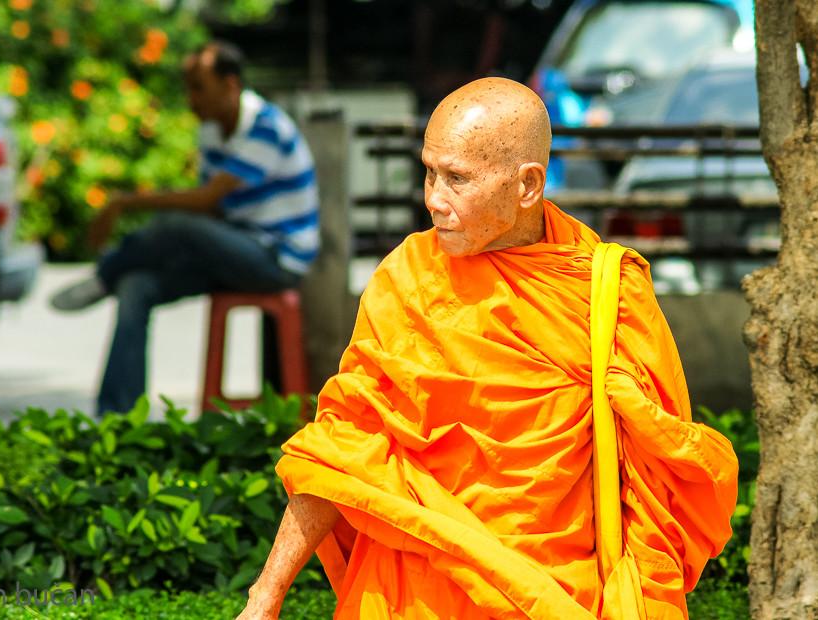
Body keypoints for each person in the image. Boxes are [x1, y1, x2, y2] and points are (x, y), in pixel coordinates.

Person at [237, 78, 738, 619]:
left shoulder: (605, 293)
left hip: (552, 595)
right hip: (416, 596)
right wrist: (265, 597)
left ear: (528, 185)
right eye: (429, 173)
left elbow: (658, 482)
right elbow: (343, 446)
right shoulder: (408, 277)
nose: (434, 199)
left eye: (457, 179)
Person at [50, 41, 320, 415]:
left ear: (230, 85)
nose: (191, 100)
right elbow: (214, 214)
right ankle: (117, 420)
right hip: (231, 251)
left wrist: (124, 203)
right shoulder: (211, 130)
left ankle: (104, 274)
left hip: (275, 260)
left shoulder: (267, 127)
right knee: (136, 287)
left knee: (178, 225)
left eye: (199, 88)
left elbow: (206, 200)